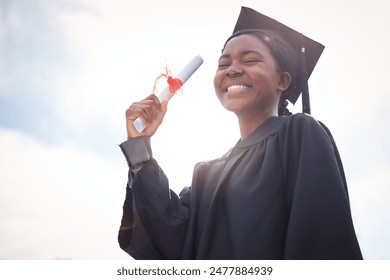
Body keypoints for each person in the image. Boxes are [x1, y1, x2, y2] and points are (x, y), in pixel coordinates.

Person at [117, 6, 363, 260]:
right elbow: (170, 240)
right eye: (223, 63)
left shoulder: (299, 133)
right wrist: (140, 149)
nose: (231, 70)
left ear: (283, 81)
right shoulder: (206, 174)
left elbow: (321, 236)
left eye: (250, 60)